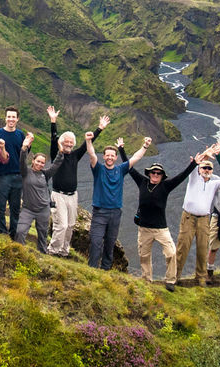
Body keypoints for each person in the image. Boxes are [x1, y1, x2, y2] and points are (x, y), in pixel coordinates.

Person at [118, 139, 202, 291]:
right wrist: (122, 150)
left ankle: (170, 280)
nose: (155, 175)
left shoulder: (166, 186)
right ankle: (147, 280)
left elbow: (182, 176)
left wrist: (194, 164)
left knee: (171, 253)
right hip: (144, 228)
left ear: (162, 175)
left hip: (161, 229)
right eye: (153, 172)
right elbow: (128, 167)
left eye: (158, 173)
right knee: (144, 256)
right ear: (149, 173)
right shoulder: (142, 182)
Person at [46, 106, 110, 257]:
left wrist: (99, 129)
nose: (68, 144)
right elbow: (53, 139)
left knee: (70, 226)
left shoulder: (75, 155)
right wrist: (53, 121)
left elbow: (87, 144)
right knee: (60, 225)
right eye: (65, 142)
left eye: (70, 143)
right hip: (59, 195)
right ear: (61, 143)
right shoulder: (57, 155)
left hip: (72, 196)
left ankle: (64, 251)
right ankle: (53, 250)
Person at [175, 148, 220, 287]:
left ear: (212, 172)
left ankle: (200, 277)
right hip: (188, 218)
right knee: (183, 247)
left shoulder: (214, 184)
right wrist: (204, 156)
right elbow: (195, 164)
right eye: (204, 167)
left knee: (202, 248)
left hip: (204, 219)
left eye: (209, 168)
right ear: (200, 169)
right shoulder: (194, 178)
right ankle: (174, 276)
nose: (206, 170)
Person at [86, 132, 152, 270]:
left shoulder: (121, 170)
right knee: (96, 242)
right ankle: (92, 269)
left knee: (110, 243)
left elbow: (136, 157)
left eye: (112, 155)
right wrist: (88, 141)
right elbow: (92, 155)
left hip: (115, 213)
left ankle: (105, 270)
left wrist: (145, 146)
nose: (109, 157)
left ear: (116, 157)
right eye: (107, 155)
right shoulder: (98, 169)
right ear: (103, 156)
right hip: (99, 212)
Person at [15, 132, 64, 253]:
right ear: (33, 160)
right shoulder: (25, 172)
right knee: (20, 231)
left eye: (42, 163)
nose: (40, 164)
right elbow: (21, 160)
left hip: (43, 209)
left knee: (42, 235)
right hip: (28, 209)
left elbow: (56, 165)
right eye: (38, 161)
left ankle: (43, 255)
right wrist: (24, 147)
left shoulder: (45, 174)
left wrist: (61, 151)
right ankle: (19, 252)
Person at [0, 106, 25, 239]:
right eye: (9, 116)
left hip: (17, 175)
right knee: (0, 205)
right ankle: (1, 231)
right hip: (1, 175)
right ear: (5, 118)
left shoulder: (20, 134)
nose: (11, 119)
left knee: (15, 207)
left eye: (13, 117)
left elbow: (24, 153)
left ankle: (13, 233)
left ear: (17, 119)